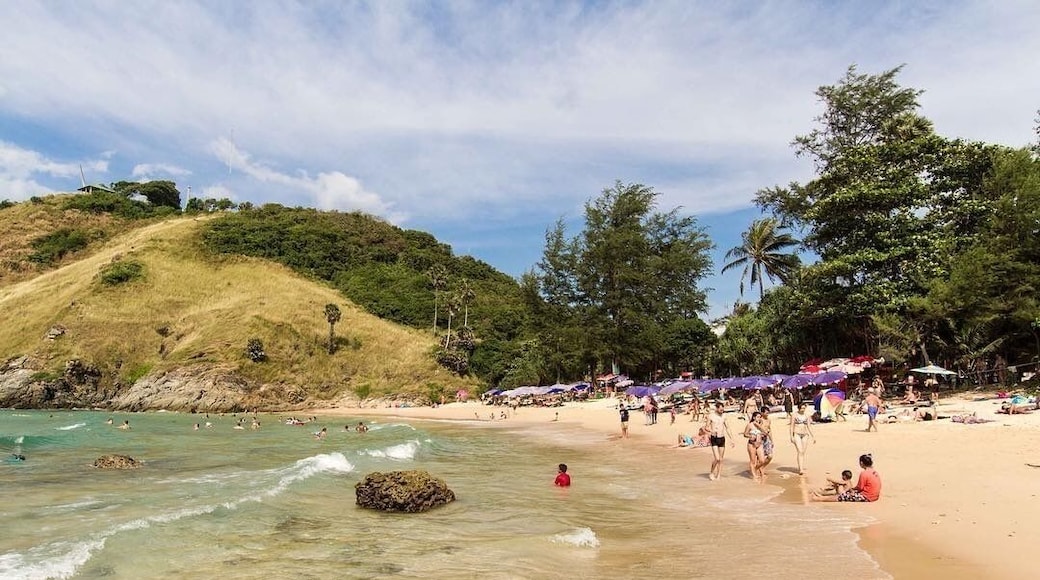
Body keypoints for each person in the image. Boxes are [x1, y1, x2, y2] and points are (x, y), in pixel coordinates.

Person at [813, 454, 881, 502]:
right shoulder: (874, 471)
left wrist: (852, 490)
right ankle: (823, 497)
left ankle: (820, 499)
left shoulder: (864, 473)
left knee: (842, 497)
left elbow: (860, 488)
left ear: (861, 463)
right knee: (845, 493)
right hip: (874, 496)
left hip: (867, 497)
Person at [707, 402, 734, 480]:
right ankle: (711, 472)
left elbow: (727, 427)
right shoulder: (711, 416)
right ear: (717, 408)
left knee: (721, 459)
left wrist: (732, 439)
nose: (722, 411)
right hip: (714, 438)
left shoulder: (724, 416)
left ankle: (718, 475)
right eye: (721, 410)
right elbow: (706, 427)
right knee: (717, 458)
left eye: (723, 410)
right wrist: (711, 431)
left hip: (722, 438)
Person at [789, 402, 815, 475]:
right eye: (802, 408)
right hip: (797, 433)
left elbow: (809, 426)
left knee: (803, 452)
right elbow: (791, 426)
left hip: (805, 434)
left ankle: (801, 466)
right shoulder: (794, 415)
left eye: (804, 408)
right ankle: (800, 469)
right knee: (800, 451)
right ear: (799, 408)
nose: (803, 410)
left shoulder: (807, 415)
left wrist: (813, 436)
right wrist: (791, 436)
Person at [743, 411, 764, 482]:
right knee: (753, 460)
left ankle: (754, 469)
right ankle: (754, 475)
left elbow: (764, 433)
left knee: (762, 460)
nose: (759, 418)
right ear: (754, 417)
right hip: (751, 444)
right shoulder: (750, 425)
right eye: (758, 417)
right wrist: (751, 436)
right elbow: (745, 434)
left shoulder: (760, 425)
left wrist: (759, 428)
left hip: (759, 444)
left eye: (760, 417)